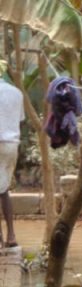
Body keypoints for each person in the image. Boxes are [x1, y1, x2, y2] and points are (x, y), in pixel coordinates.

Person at [0, 79, 23, 248]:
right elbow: (20, 119)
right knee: (3, 188)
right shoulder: (16, 92)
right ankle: (11, 235)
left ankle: (1, 238)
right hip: (11, 145)